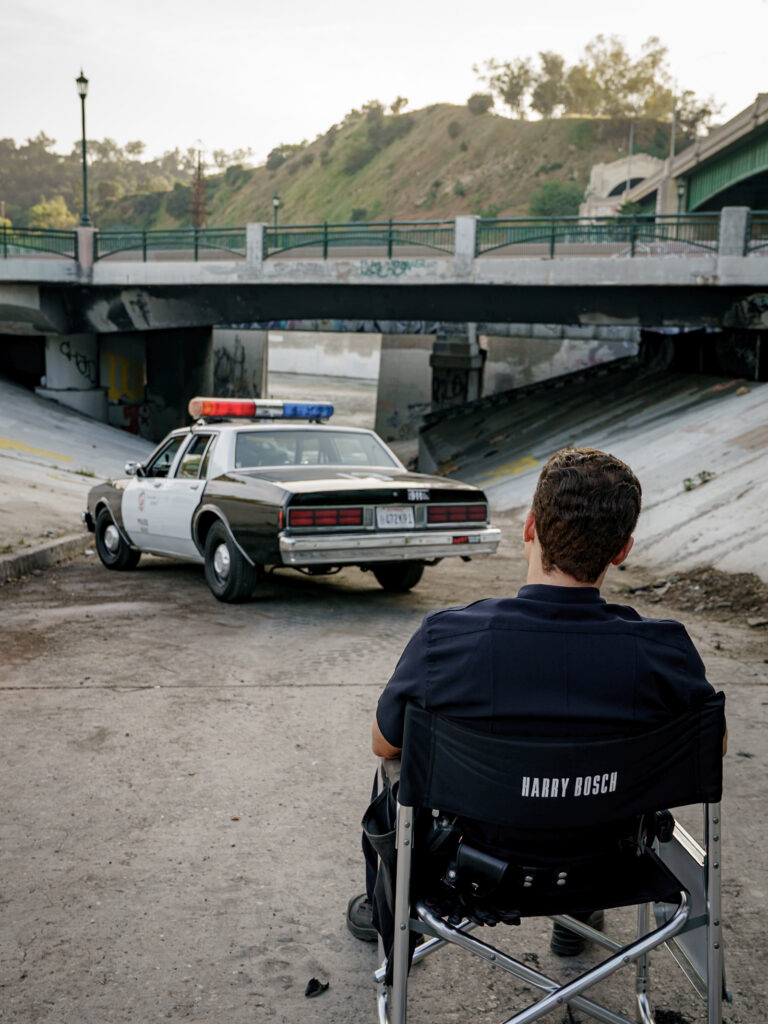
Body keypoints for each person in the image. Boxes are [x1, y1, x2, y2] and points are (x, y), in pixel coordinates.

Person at [347, 446, 725, 953]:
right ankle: (575, 911)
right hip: (609, 864)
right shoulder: (664, 651)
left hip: (474, 862)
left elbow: (384, 743)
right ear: (622, 550)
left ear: (530, 528)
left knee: (394, 773)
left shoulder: (448, 641)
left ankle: (388, 918)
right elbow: (710, 747)